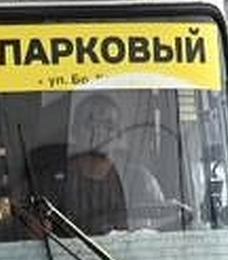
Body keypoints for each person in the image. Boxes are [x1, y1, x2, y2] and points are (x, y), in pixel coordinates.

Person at [62, 92, 164, 234]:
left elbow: (157, 239)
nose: (98, 131)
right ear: (73, 130)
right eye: (90, 123)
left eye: (108, 125)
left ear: (119, 133)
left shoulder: (141, 182)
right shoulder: (55, 183)